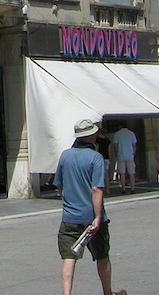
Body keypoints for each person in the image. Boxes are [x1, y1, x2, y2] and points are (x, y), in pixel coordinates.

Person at [54, 119, 126, 295]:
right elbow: (96, 189)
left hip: (70, 217)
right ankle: (107, 292)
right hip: (91, 217)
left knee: (69, 257)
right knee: (102, 256)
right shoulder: (96, 157)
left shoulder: (65, 155)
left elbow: (59, 186)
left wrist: (69, 200)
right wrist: (97, 217)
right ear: (91, 136)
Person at [110, 125, 137, 194]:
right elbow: (134, 145)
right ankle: (132, 188)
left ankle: (123, 189)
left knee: (122, 173)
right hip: (130, 156)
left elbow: (115, 145)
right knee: (131, 173)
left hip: (121, 156)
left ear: (120, 126)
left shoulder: (117, 134)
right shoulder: (131, 133)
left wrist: (116, 154)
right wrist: (133, 153)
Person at [95, 129, 112, 194]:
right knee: (106, 174)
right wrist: (109, 158)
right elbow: (109, 150)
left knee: (100, 175)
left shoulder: (97, 141)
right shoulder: (108, 140)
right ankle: (108, 189)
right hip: (106, 158)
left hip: (99, 158)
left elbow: (97, 149)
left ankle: (101, 189)